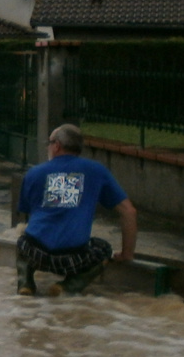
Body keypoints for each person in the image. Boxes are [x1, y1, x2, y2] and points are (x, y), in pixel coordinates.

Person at [15, 123, 137, 296]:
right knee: (103, 249)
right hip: (73, 258)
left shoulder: (34, 173)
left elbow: (25, 212)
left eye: (49, 143)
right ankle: (68, 286)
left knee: (22, 241)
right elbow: (129, 212)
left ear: (56, 145)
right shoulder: (96, 171)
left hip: (36, 253)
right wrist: (127, 254)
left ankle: (25, 283)